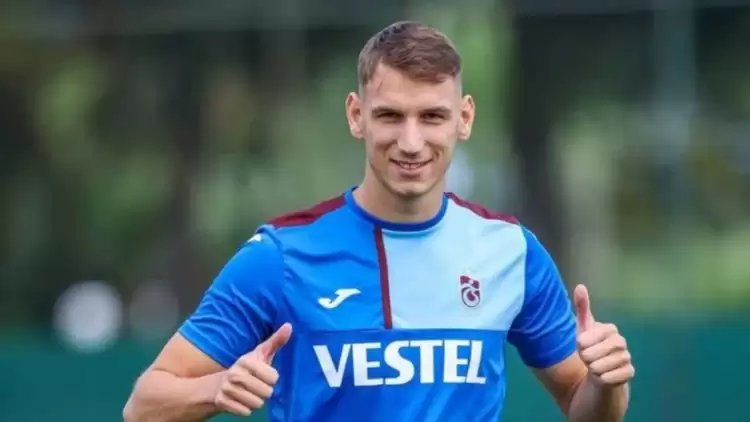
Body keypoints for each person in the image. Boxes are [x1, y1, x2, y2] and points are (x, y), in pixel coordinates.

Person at [123, 20, 634, 422]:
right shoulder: (281, 256)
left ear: (464, 118)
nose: (411, 142)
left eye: (431, 116)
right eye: (390, 116)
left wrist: (605, 384)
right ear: (356, 115)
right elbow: (143, 406)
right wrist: (216, 387)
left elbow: (584, 404)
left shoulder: (511, 253)